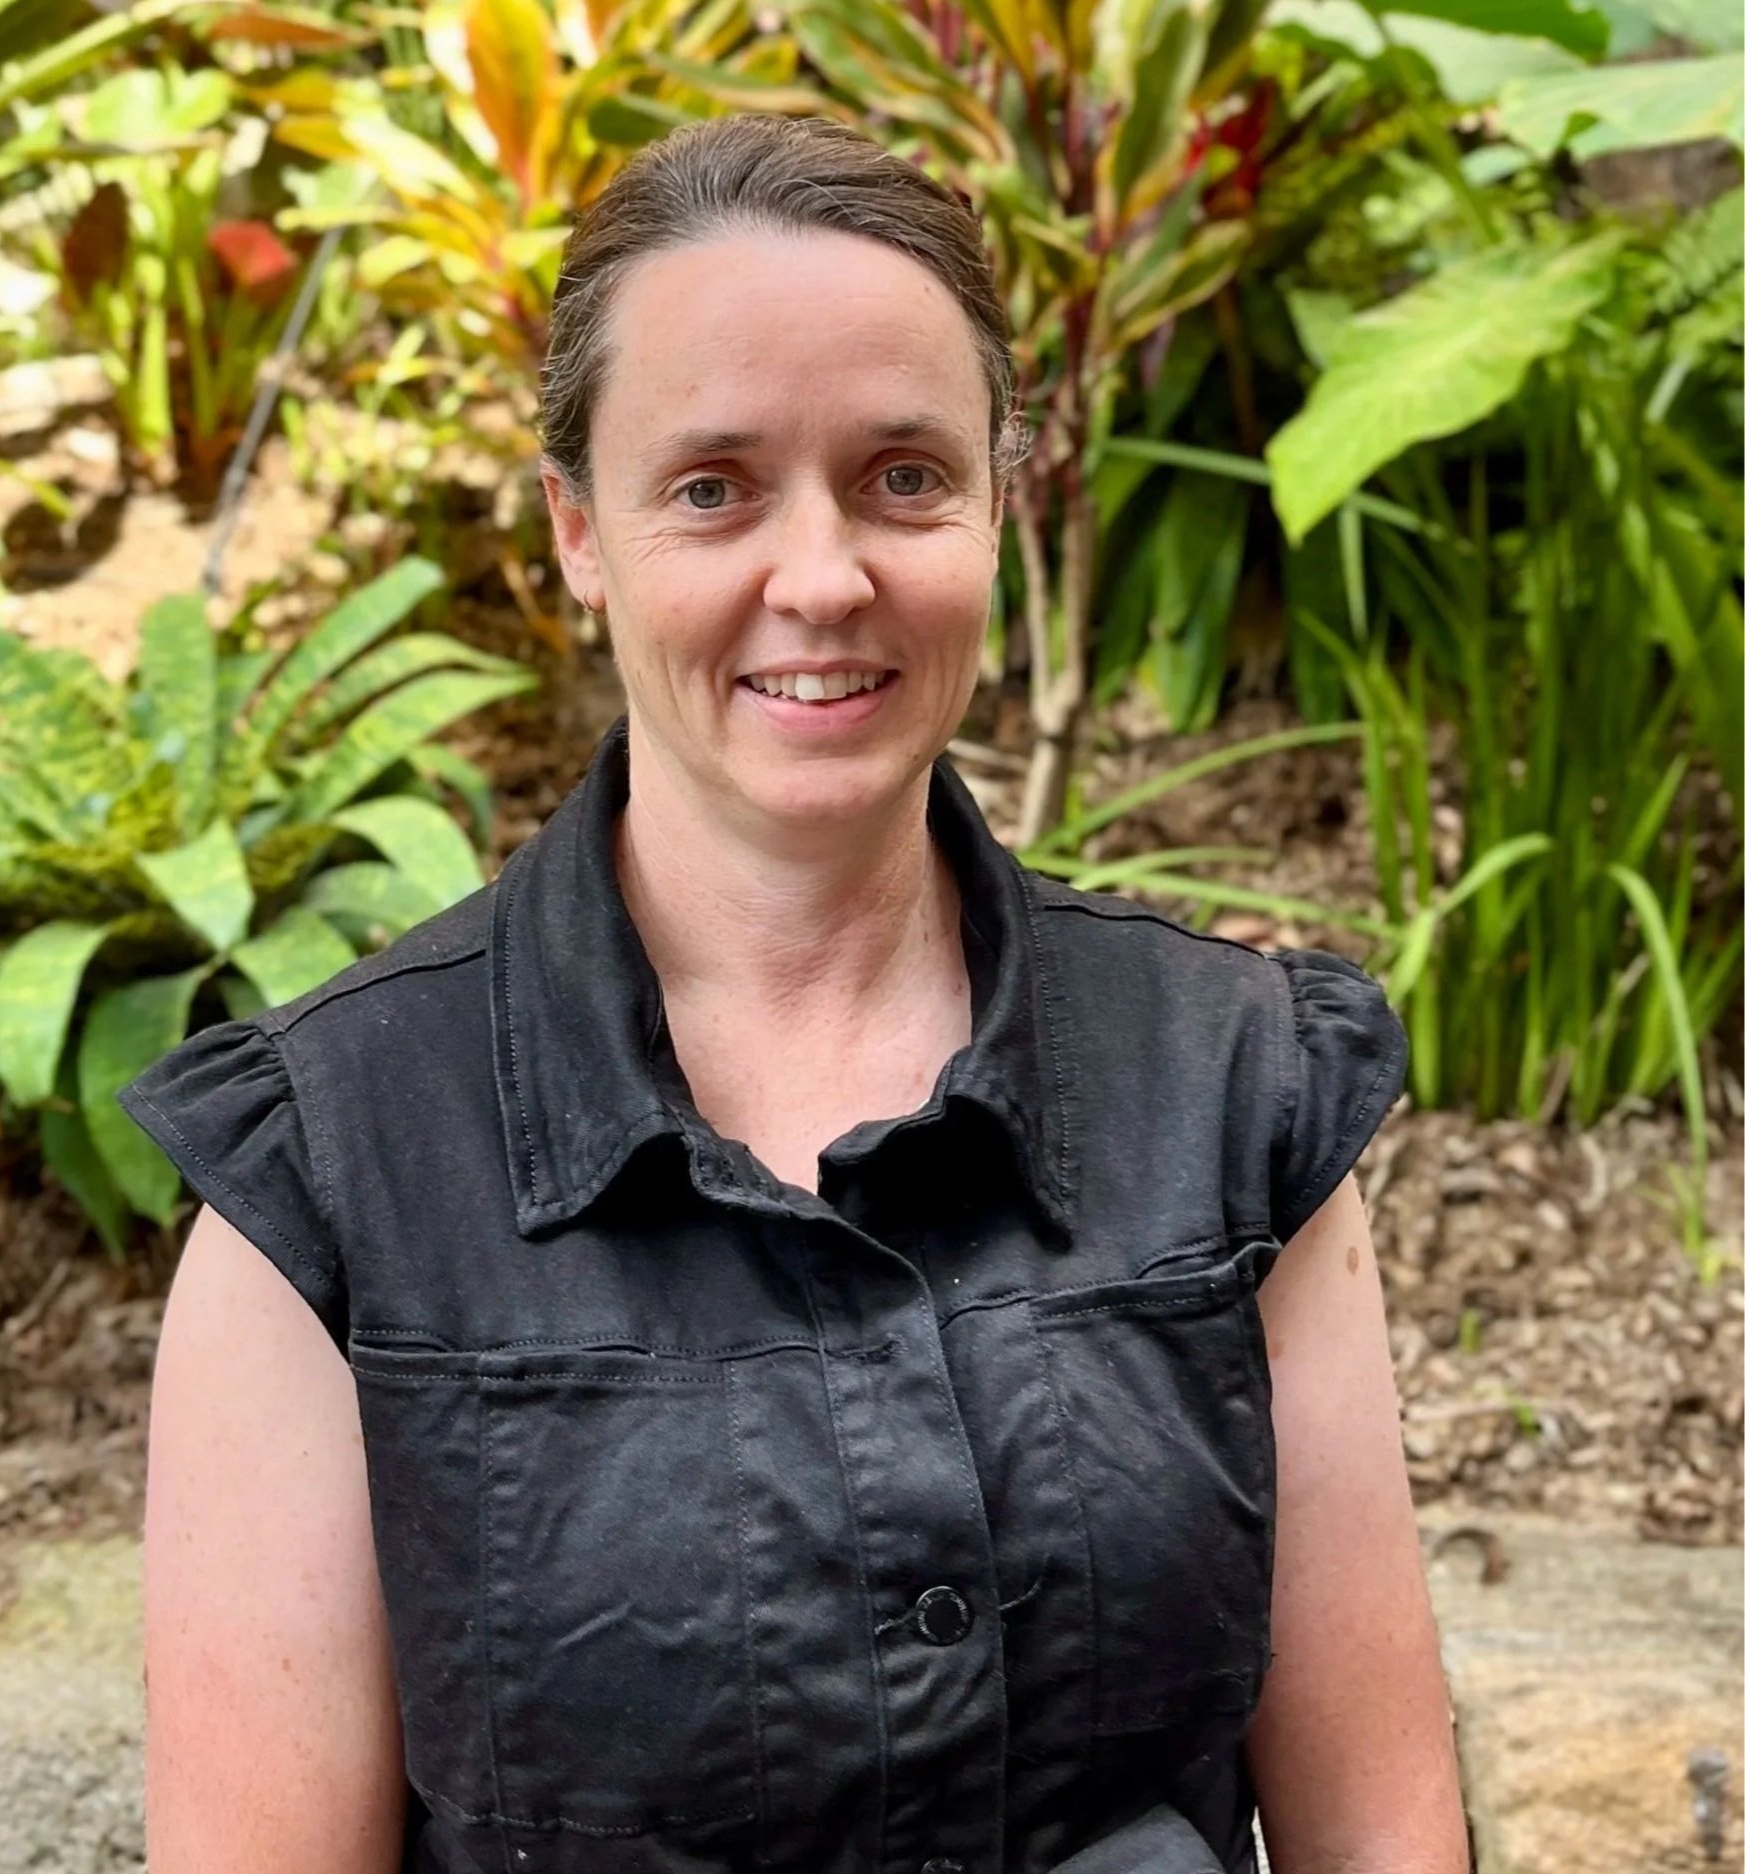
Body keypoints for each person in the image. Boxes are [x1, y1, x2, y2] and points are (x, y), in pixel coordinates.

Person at [119, 111, 1469, 1874]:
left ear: (1001, 501)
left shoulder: (1227, 1091)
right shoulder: (338, 1174)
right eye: (712, 487)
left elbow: (1383, 1833)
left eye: (904, 476)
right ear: (578, 529)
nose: (822, 578)